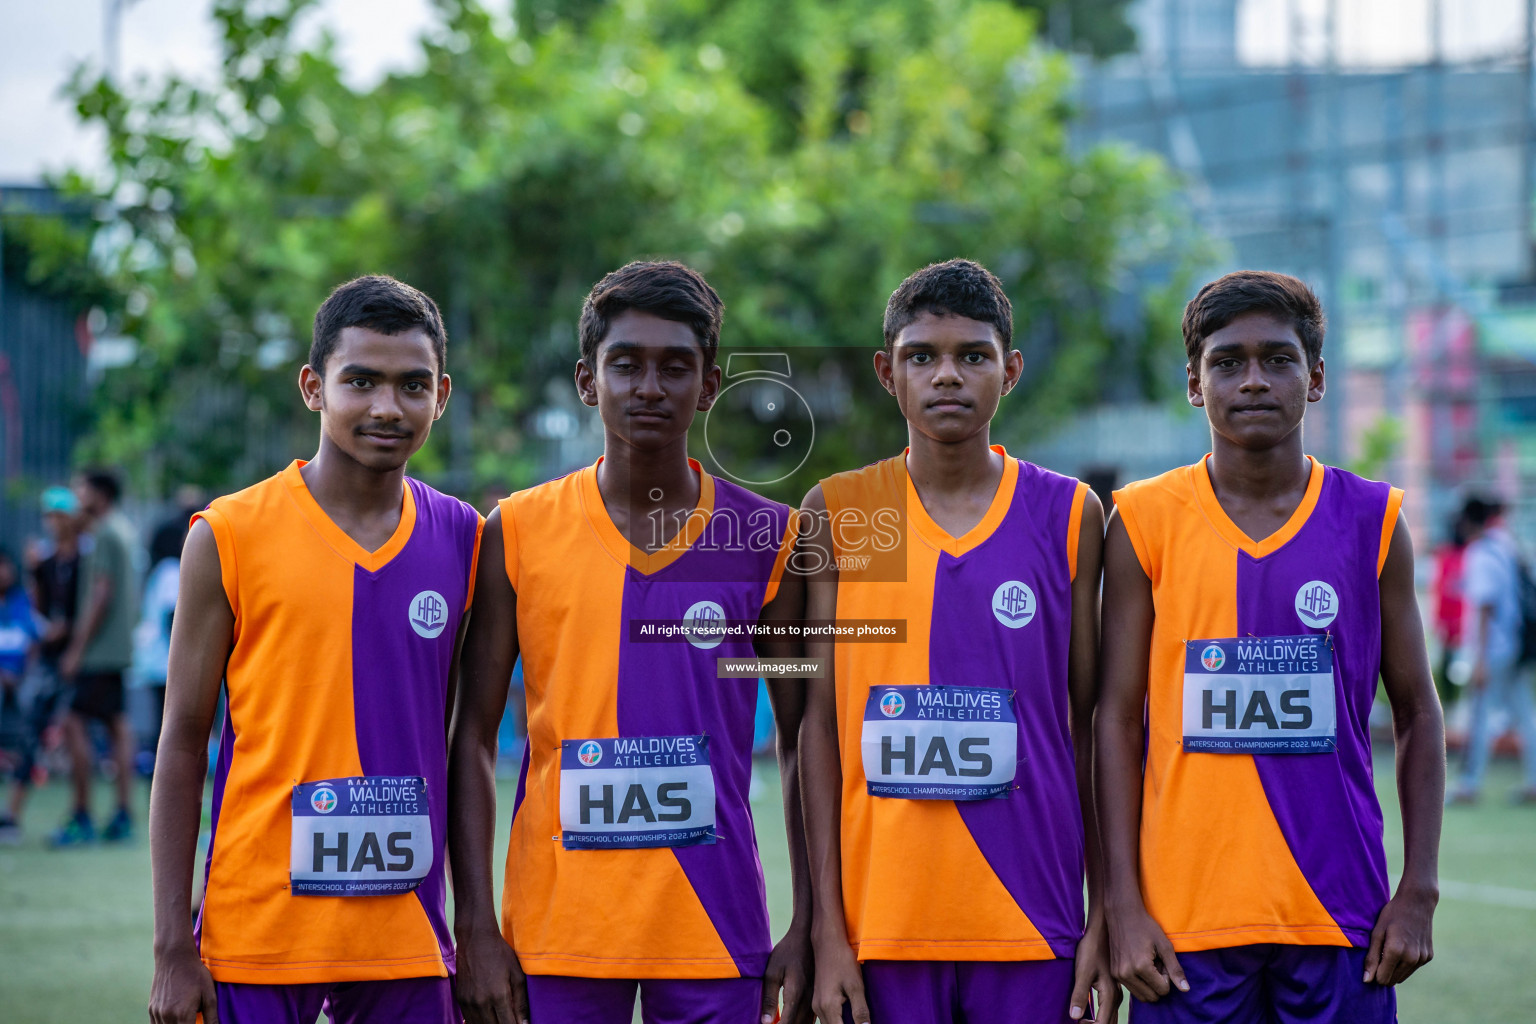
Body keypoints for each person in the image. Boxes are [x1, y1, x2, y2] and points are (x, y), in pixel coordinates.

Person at [449, 260, 812, 1024]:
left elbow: (805, 734)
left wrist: (809, 920)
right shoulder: (515, 532)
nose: (651, 386)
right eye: (627, 364)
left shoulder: (770, 537)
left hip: (716, 927)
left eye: (676, 367)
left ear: (709, 386)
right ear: (588, 380)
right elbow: (473, 739)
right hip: (559, 935)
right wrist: (477, 926)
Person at [1097, 271, 1444, 1024]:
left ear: (1315, 378)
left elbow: (1418, 711)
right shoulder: (1143, 520)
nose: (1252, 379)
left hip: (1339, 916)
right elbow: (1117, 722)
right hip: (1183, 928)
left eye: (1278, 359)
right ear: (1195, 382)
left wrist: (1417, 890)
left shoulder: (1372, 519)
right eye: (1227, 362)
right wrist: (1120, 904)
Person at [147, 275, 482, 1024]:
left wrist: (477, 926)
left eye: (411, 385)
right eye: (359, 380)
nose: (386, 407)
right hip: (257, 934)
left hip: (408, 938)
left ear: (443, 395)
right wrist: (173, 945)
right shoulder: (228, 534)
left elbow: (463, 745)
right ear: (313, 387)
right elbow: (180, 744)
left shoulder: (465, 537)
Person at [798, 259, 1114, 1024]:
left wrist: (1104, 908)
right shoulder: (838, 511)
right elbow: (818, 727)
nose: (947, 376)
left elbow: (1090, 726)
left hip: (1032, 924)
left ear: (1009, 371)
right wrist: (827, 932)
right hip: (882, 931)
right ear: (887, 371)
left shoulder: (1070, 515)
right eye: (921, 356)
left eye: (972, 356)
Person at [54, 468, 141, 845]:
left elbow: (101, 594)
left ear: (100, 494)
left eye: (82, 487)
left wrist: (76, 648)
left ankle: (83, 814)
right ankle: (122, 812)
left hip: (100, 653)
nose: (76, 493)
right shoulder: (122, 529)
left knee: (73, 722)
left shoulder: (105, 533)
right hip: (118, 650)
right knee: (117, 726)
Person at [0, 487, 82, 843]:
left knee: (76, 736)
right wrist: (34, 573)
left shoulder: (85, 557)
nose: (53, 522)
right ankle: (13, 815)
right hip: (51, 663)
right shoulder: (46, 562)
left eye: (59, 515)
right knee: (33, 735)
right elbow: (40, 615)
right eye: (49, 515)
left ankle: (82, 814)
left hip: (79, 662)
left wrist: (71, 641)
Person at [1447, 494, 1536, 804]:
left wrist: (1480, 660)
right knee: (1525, 714)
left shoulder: (1480, 554)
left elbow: (1485, 607)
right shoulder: (1503, 545)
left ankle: (1469, 784)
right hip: (1515, 645)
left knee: (1480, 715)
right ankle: (1533, 781)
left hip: (1493, 649)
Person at [130, 517, 191, 774]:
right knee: (172, 728)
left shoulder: (158, 571)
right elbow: (172, 616)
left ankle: (156, 782)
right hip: (166, 661)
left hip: (154, 661)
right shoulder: (170, 570)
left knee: (161, 726)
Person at [1430, 512, 1469, 708]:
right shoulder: (1445, 555)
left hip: (1466, 621)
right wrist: (1439, 620)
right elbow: (1439, 589)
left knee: (1464, 666)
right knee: (1447, 665)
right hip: (1448, 620)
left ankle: (1461, 702)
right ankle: (1449, 701)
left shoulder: (1470, 554)